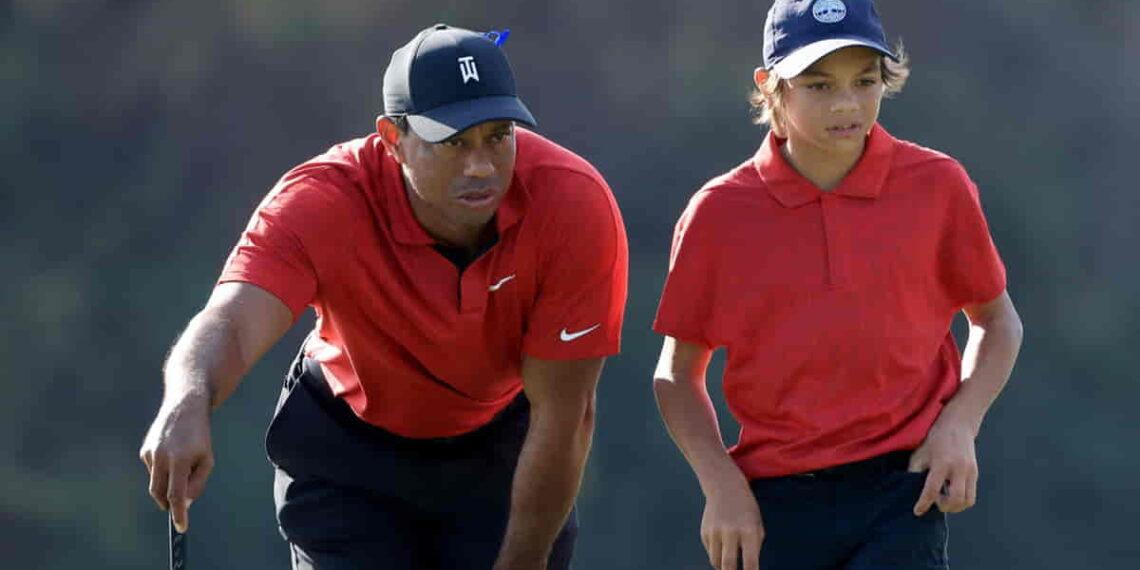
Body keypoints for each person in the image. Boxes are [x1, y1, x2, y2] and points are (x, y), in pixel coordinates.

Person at [138, 23, 628, 569]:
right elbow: (231, 321)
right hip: (349, 454)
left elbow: (564, 417)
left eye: (497, 136)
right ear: (393, 139)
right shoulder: (322, 201)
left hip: (500, 449)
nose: (481, 166)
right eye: (453, 142)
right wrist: (187, 400)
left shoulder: (572, 205)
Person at [651, 2, 1023, 569]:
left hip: (903, 489)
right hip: (772, 502)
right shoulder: (719, 213)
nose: (847, 104)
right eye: (819, 85)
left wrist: (960, 423)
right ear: (770, 85)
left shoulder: (937, 185)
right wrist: (720, 485)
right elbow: (678, 375)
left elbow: (996, 321)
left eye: (865, 82)